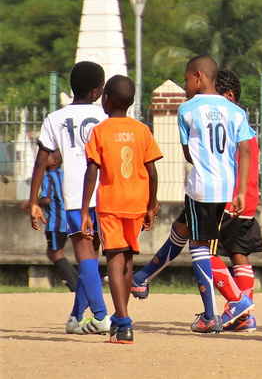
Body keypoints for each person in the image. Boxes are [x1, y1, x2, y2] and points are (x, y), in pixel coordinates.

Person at [26, 61, 109, 334]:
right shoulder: (106, 117)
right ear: (98, 91)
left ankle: (100, 316)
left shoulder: (55, 118)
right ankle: (76, 316)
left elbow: (40, 163)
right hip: (106, 194)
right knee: (91, 259)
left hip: (76, 197)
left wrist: (33, 201)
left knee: (85, 258)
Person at [174, 55, 256, 332]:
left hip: (201, 188)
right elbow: (244, 151)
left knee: (198, 248)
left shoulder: (187, 109)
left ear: (198, 76)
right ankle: (233, 308)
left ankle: (219, 311)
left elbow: (188, 154)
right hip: (228, 190)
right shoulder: (236, 111)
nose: (185, 86)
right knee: (227, 251)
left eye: (186, 80)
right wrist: (241, 190)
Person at [80, 75, 163, 344]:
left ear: (106, 100)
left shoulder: (100, 131)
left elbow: (91, 172)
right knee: (127, 260)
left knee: (114, 260)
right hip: (137, 204)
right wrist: (151, 205)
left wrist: (84, 210)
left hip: (112, 204)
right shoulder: (142, 130)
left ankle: (125, 323)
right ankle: (119, 320)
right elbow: (152, 171)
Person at [211, 70, 262, 332]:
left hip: (230, 200)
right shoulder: (247, 127)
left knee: (203, 251)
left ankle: (239, 302)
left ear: (229, 96)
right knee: (238, 253)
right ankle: (247, 317)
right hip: (248, 199)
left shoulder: (229, 124)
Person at [37, 155, 80, 292]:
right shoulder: (65, 175)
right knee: (54, 253)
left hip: (56, 222)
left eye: (46, 157)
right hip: (69, 220)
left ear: (55, 161)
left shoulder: (49, 177)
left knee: (55, 254)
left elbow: (47, 199)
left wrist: (31, 203)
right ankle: (78, 283)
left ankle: (75, 286)